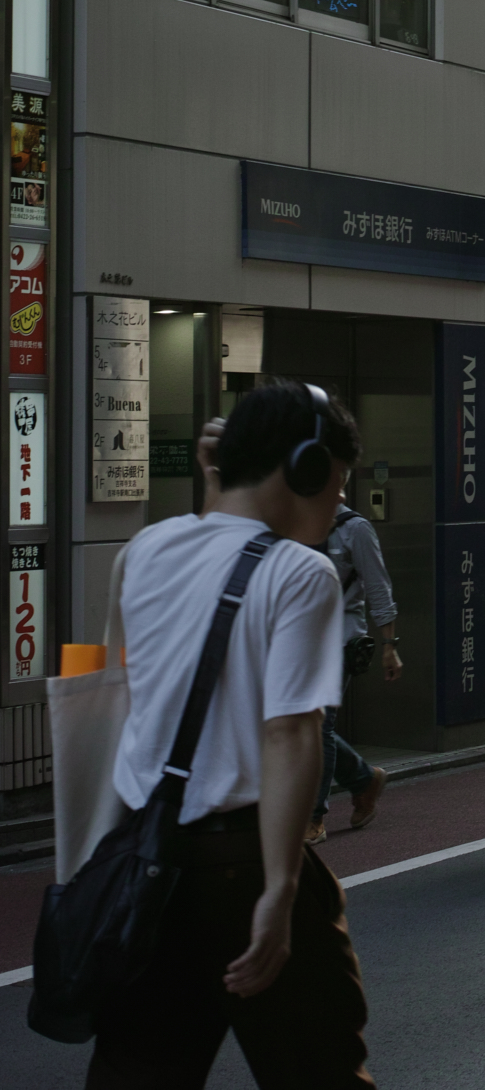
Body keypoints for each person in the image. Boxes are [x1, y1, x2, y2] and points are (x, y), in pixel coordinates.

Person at [86, 383, 371, 1087]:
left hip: (150, 861)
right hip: (245, 857)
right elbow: (290, 734)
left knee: (139, 1070)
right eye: (339, 477)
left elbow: (137, 684)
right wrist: (279, 888)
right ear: (305, 466)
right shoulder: (302, 573)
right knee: (322, 1071)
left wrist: (217, 489)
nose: (341, 497)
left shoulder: (143, 551)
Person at [309, 502, 398, 843]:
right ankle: (364, 779)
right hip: (297, 638)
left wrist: (390, 644)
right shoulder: (292, 518)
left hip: (340, 640)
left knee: (319, 725)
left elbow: (378, 586)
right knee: (305, 722)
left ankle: (314, 816)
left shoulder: (355, 528)